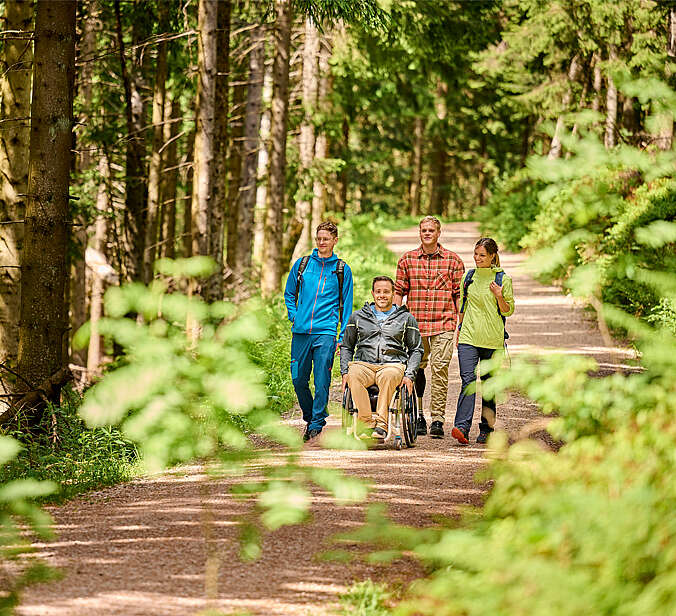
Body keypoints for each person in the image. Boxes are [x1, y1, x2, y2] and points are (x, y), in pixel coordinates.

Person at [393, 216, 464, 438]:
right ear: (419, 232)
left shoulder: (453, 261)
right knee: (415, 370)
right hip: (415, 326)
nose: (427, 233)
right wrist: (394, 319)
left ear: (438, 233)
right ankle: (419, 415)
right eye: (423, 230)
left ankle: (438, 420)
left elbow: (459, 295)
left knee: (441, 370)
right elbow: (398, 291)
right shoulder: (407, 259)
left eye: (431, 230)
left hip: (443, 324)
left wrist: (460, 324)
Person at [284, 221, 354, 442]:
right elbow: (289, 294)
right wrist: (295, 315)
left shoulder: (341, 269)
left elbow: (347, 305)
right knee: (298, 379)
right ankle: (312, 414)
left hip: (325, 332)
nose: (322, 242)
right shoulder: (303, 264)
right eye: (319, 238)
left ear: (335, 240)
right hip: (301, 332)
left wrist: (341, 337)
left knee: (322, 379)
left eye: (326, 239)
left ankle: (315, 424)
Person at [340, 276, 423, 439]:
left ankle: (382, 425)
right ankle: (366, 424)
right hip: (364, 364)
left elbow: (416, 349)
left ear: (393, 294)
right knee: (353, 373)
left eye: (386, 292)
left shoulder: (406, 318)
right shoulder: (357, 317)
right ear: (372, 293)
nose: (382, 295)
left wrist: (410, 375)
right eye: (378, 292)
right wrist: (344, 372)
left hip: (392, 365)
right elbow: (346, 346)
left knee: (388, 375)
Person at [451, 237, 515, 445]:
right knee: (468, 381)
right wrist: (459, 331)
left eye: (482, 255)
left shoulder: (503, 279)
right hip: (468, 337)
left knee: (488, 386)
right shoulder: (468, 277)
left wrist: (499, 296)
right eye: (476, 254)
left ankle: (487, 429)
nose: (477, 259)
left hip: (492, 340)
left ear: (492, 256)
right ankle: (462, 427)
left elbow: (509, 310)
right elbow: (463, 307)